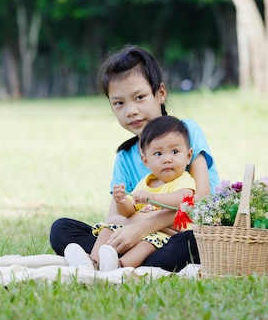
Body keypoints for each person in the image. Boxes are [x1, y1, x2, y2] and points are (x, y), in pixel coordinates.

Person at [49, 45, 220, 271]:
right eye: (119, 103)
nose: (130, 111)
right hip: (139, 237)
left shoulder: (185, 132)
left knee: (189, 242)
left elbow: (202, 201)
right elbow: (114, 218)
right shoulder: (125, 156)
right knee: (61, 229)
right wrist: (130, 228)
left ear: (160, 93)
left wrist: (143, 227)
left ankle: (121, 261)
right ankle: (105, 260)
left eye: (139, 97)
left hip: (188, 230)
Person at [64, 115, 196, 271]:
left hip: (165, 234)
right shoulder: (146, 182)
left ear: (188, 156)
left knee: (148, 243)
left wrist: (153, 198)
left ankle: (120, 266)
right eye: (158, 154)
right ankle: (93, 262)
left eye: (174, 152)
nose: (167, 159)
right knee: (108, 229)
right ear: (145, 161)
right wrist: (122, 202)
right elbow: (129, 211)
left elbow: (183, 199)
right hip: (135, 229)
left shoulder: (183, 180)